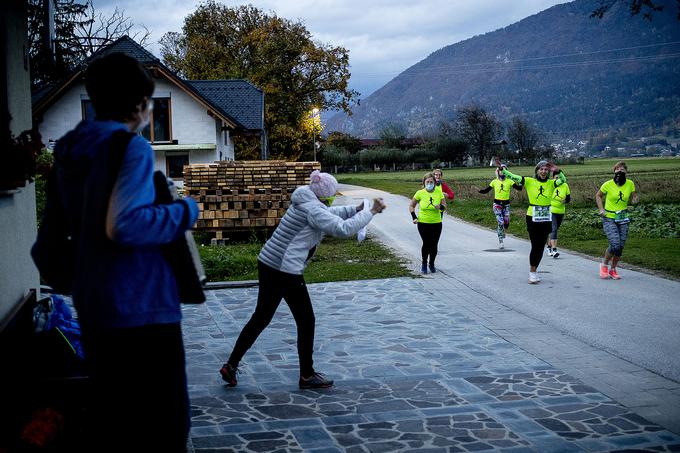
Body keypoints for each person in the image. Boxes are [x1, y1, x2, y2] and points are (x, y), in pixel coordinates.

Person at [46, 53, 198, 451]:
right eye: (148, 102)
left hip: (95, 302)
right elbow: (125, 225)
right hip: (142, 303)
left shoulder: (68, 151)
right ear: (137, 104)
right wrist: (184, 210)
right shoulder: (129, 148)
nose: (149, 112)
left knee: (117, 421)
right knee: (164, 424)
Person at [220, 170, 386, 389]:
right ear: (322, 196)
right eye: (331, 196)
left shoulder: (306, 198)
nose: (332, 199)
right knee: (306, 320)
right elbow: (341, 228)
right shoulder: (314, 208)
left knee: (261, 318)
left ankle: (230, 365)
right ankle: (307, 375)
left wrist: (355, 209)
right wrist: (371, 211)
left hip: (269, 263)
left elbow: (328, 213)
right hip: (284, 270)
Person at [502, 161, 567, 284]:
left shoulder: (552, 183)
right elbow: (513, 177)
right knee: (535, 245)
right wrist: (504, 170)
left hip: (546, 217)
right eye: (541, 169)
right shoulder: (529, 181)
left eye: (546, 170)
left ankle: (534, 270)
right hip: (532, 216)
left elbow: (563, 180)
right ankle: (532, 272)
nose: (543, 172)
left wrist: (557, 170)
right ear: (537, 171)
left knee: (541, 246)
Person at [595, 161, 638, 280]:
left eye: (622, 170)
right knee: (615, 244)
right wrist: (601, 209)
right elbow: (598, 196)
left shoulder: (630, 184)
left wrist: (635, 199)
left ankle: (613, 269)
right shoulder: (607, 184)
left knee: (621, 246)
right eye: (617, 169)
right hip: (609, 217)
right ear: (614, 171)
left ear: (626, 172)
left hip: (623, 217)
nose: (620, 171)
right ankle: (604, 265)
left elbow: (634, 195)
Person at [409, 172, 446, 274]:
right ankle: (424, 263)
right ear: (424, 183)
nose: (429, 183)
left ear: (434, 182)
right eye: (427, 182)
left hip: (436, 223)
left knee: (434, 245)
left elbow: (445, 206)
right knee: (426, 243)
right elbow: (411, 206)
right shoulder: (419, 193)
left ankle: (432, 263)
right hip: (423, 223)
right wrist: (414, 217)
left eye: (431, 182)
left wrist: (440, 207)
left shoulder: (439, 192)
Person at [478, 164, 521, 249]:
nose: (502, 172)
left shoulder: (509, 181)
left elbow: (519, 188)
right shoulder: (494, 181)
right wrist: (479, 190)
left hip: (506, 205)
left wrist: (521, 182)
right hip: (497, 205)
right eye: (501, 170)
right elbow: (486, 190)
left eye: (504, 170)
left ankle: (504, 228)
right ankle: (501, 240)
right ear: (498, 172)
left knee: (506, 223)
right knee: (500, 222)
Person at [546, 171, 571, 258]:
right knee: (554, 229)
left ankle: (549, 247)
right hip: (551, 210)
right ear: (553, 178)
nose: (558, 180)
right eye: (556, 178)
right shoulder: (551, 185)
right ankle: (554, 250)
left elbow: (568, 199)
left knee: (553, 231)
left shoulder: (565, 185)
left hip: (561, 211)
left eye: (559, 178)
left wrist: (565, 201)